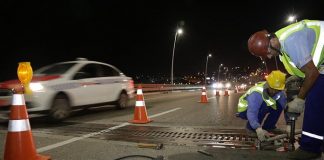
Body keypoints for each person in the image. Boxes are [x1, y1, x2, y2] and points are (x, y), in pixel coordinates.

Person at [248, 19, 324, 159]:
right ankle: (316, 143)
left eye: (268, 52)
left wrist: (299, 99)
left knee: (315, 99)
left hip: (318, 69)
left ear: (271, 41)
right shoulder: (283, 45)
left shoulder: (291, 41)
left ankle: (310, 148)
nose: (269, 57)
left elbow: (312, 74)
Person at [237, 70, 287, 142]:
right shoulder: (257, 93)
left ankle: (269, 127)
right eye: (272, 88)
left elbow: (285, 107)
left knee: (279, 106)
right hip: (245, 110)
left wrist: (289, 123)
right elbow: (252, 112)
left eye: (277, 90)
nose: (274, 92)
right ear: (268, 84)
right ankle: (251, 128)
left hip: (258, 107)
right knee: (264, 106)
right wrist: (258, 128)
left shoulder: (280, 93)